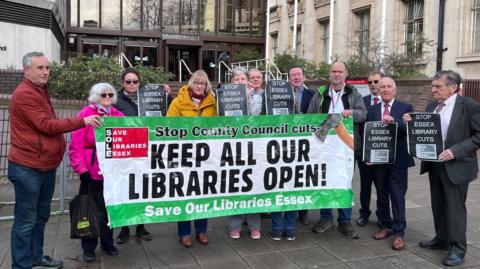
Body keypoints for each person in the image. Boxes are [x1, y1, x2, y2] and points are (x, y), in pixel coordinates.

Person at [7, 51, 101, 269]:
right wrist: (82, 121)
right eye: (40, 68)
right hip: (27, 167)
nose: (45, 72)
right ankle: (21, 265)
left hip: (44, 166)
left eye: (47, 68)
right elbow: (47, 125)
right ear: (26, 70)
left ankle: (35, 257)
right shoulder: (25, 94)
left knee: (40, 218)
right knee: (26, 222)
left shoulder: (39, 90)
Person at [403, 70, 480, 266]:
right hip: (435, 165)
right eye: (432, 86)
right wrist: (411, 122)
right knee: (438, 204)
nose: (433, 89)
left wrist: (455, 151)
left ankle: (458, 248)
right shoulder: (432, 106)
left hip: (457, 165)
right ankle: (442, 238)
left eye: (438, 86)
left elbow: (478, 136)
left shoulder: (469, 106)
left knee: (455, 209)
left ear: (453, 88)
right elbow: (426, 131)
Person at [307, 61, 367, 239]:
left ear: (346, 74)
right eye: (334, 71)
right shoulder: (320, 94)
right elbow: (309, 117)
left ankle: (345, 221)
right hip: (324, 147)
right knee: (324, 181)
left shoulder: (353, 93)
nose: (337, 74)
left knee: (344, 181)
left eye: (340, 71)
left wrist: (351, 113)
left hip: (346, 147)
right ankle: (326, 218)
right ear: (329, 74)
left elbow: (363, 114)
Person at [113, 68, 171, 244]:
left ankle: (140, 225)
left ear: (139, 82)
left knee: (142, 188)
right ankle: (124, 228)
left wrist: (167, 96)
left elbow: (167, 113)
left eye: (135, 81)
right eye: (128, 81)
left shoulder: (149, 97)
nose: (131, 84)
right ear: (123, 83)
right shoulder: (115, 100)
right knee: (124, 189)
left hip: (146, 149)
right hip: (125, 150)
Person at [69, 83, 124, 262]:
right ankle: (88, 247)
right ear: (95, 96)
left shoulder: (118, 115)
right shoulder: (85, 115)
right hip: (92, 169)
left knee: (109, 209)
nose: (107, 97)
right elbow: (75, 145)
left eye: (110, 94)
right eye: (103, 95)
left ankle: (107, 242)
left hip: (112, 171)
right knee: (89, 208)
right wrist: (81, 169)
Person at [166, 70, 217, 247]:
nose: (198, 86)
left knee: (203, 193)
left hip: (205, 156)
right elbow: (169, 126)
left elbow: (218, 127)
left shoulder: (213, 103)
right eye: (196, 83)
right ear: (190, 84)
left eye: (202, 83)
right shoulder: (178, 102)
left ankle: (201, 231)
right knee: (185, 193)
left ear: (206, 86)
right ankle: (185, 232)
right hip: (184, 156)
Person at [367, 77, 414, 250]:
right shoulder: (371, 110)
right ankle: (385, 226)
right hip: (378, 160)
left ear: (394, 90)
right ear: (378, 90)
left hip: (398, 160)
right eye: (382, 87)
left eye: (389, 87)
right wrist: (368, 154)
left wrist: (395, 121)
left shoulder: (405, 108)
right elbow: (368, 133)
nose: (385, 89)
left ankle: (399, 232)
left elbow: (409, 130)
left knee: (397, 196)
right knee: (381, 194)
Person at [227, 67, 262, 240]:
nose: (240, 82)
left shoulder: (257, 96)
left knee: (253, 186)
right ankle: (235, 226)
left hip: (253, 147)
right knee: (235, 186)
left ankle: (255, 226)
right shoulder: (226, 95)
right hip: (233, 147)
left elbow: (254, 116)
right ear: (232, 82)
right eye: (237, 79)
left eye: (242, 79)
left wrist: (247, 97)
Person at [288, 66, 316, 225]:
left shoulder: (313, 94)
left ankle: (303, 212)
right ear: (289, 78)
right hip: (287, 140)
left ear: (304, 77)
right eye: (293, 75)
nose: (296, 77)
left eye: (299, 74)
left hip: (306, 141)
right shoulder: (283, 93)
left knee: (303, 175)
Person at [357, 71, 384, 227]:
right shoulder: (362, 101)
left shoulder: (389, 102)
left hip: (382, 152)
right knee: (365, 185)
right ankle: (364, 213)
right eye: (370, 82)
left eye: (376, 81)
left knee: (381, 186)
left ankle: (382, 215)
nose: (373, 85)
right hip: (365, 152)